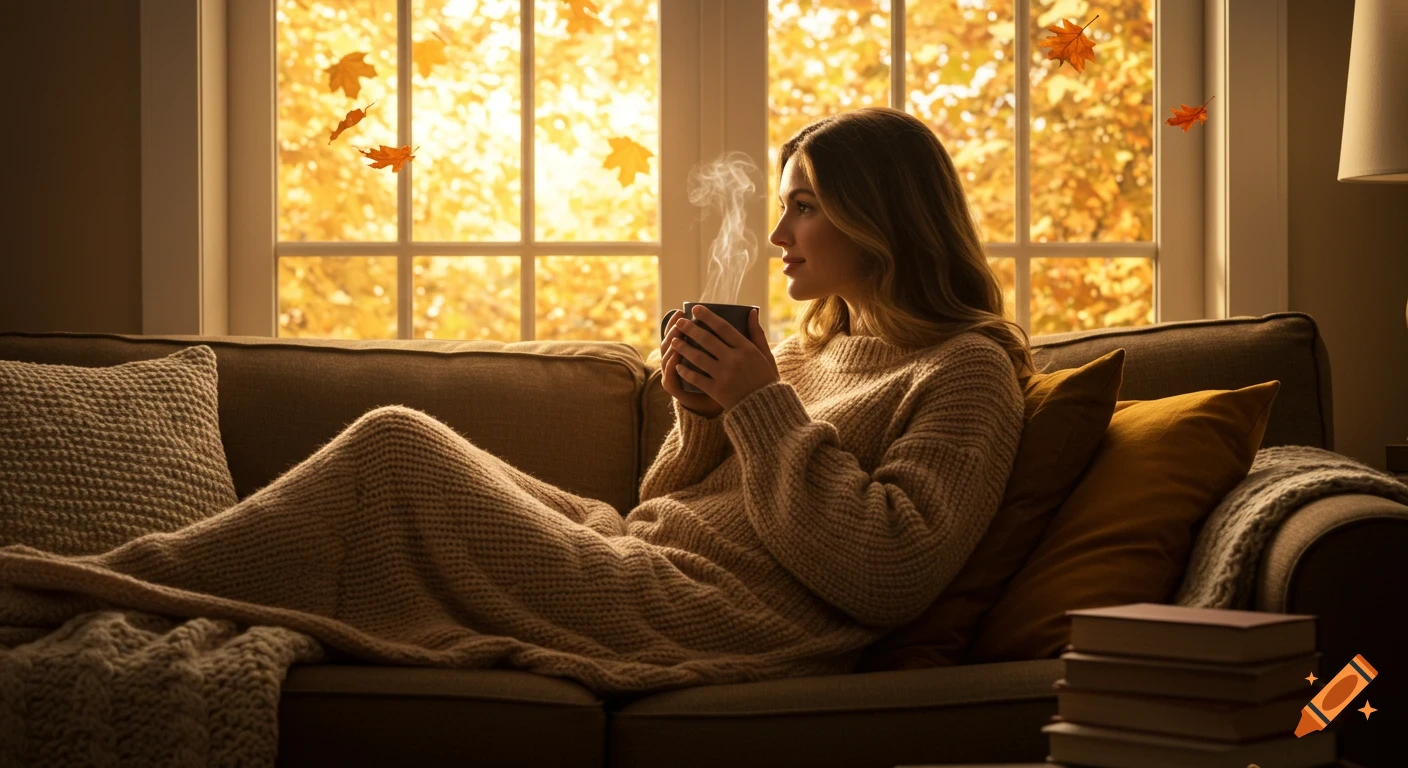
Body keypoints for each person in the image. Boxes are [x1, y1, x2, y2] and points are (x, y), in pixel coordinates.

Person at [0, 107, 1031, 699]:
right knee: (404, 447)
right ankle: (116, 588)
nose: (780, 235)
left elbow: (889, 568)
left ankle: (93, 590)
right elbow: (671, 500)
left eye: (805, 204)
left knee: (397, 451)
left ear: (880, 215)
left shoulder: (966, 370)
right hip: (646, 554)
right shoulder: (829, 351)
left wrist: (760, 410)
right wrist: (706, 416)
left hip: (722, 620)